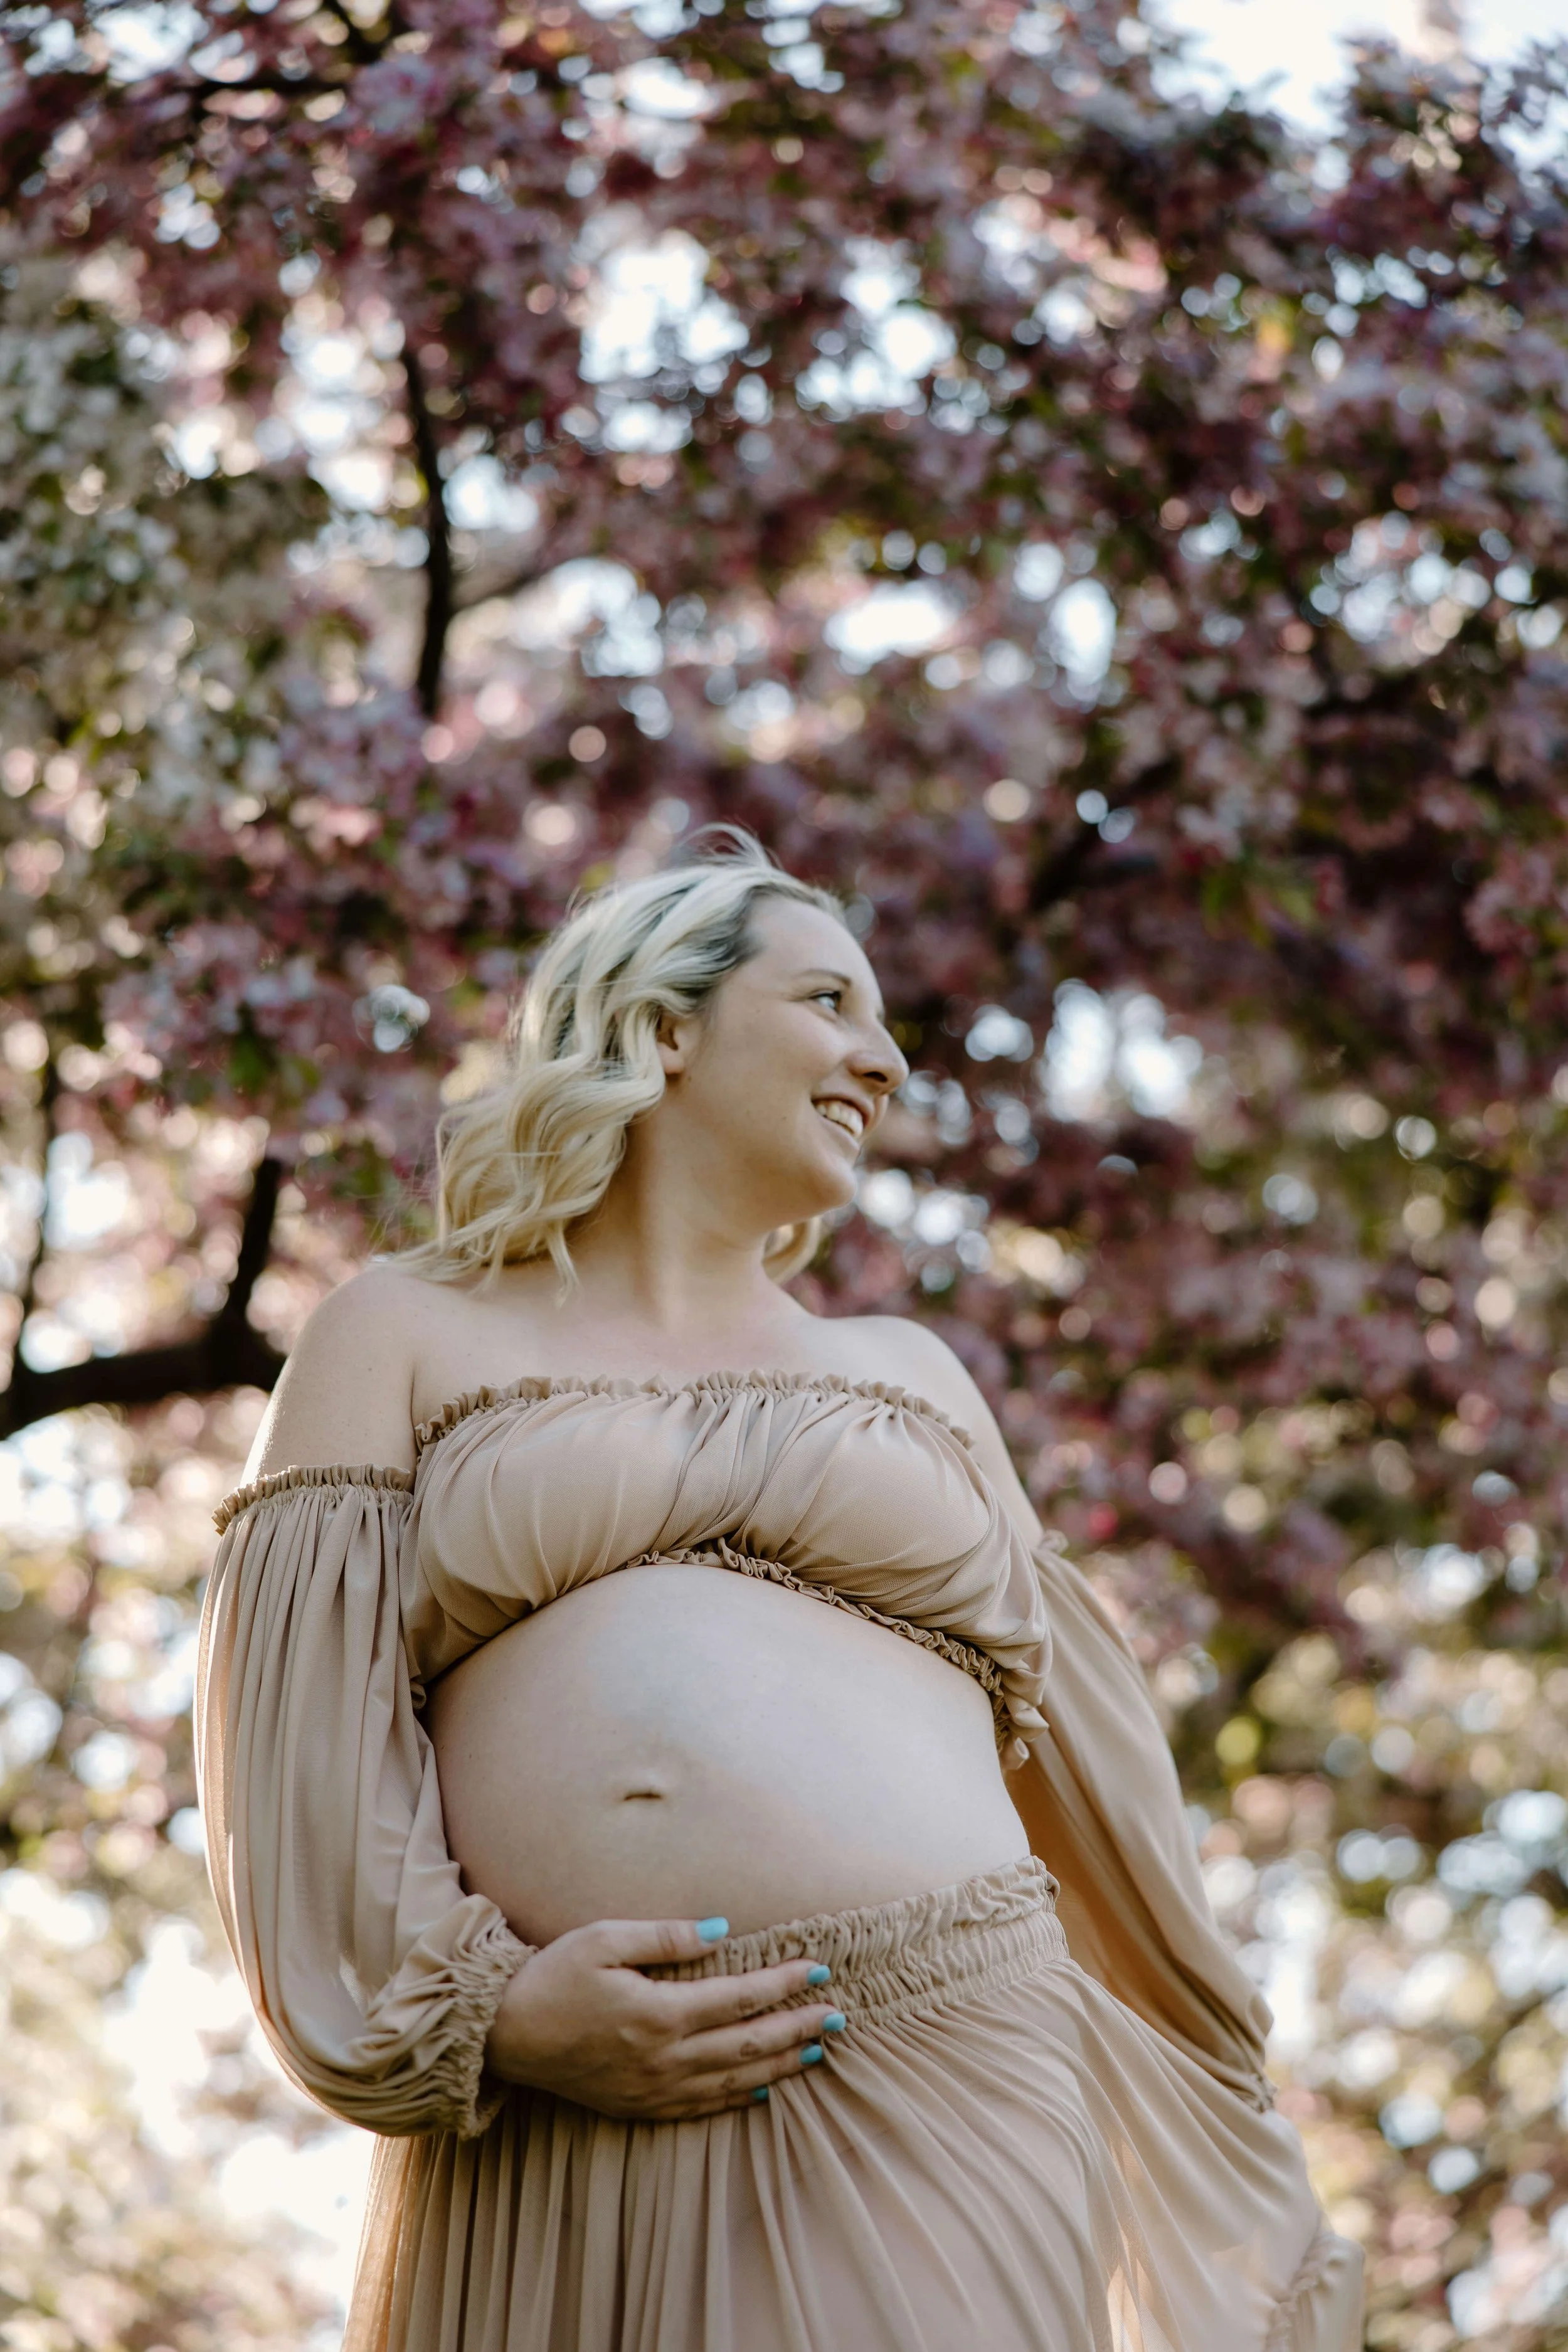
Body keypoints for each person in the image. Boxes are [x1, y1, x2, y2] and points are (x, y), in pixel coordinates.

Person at [197, 834, 1363, 2352]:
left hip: (955, 2065)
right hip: (567, 2094)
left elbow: (1090, 1782)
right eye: (828, 1002)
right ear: (662, 1026)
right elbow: (304, 1742)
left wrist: (1225, 2104)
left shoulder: (909, 1375)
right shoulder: (399, 1330)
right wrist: (495, 2015)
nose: (883, 1062)